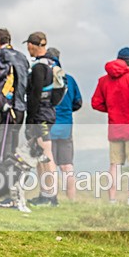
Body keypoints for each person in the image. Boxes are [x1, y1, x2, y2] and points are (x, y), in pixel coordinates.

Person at [91, 47, 129, 207]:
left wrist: (111, 108)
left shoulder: (103, 80)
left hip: (115, 127)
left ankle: (112, 200)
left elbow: (96, 103)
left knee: (114, 165)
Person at [24, 32, 66, 207]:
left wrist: (30, 119)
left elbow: (35, 94)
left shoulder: (40, 67)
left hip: (40, 114)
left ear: (33, 45)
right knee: (40, 153)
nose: (28, 49)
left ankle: (51, 196)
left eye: (28, 45)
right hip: (47, 112)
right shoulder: (51, 63)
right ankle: (45, 194)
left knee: (46, 151)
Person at [0, 28, 29, 161]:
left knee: (3, 149)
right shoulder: (22, 57)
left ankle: (6, 180)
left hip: (5, 109)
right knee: (14, 147)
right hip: (20, 109)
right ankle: (14, 180)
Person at [48, 49, 82, 201]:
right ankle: (71, 199)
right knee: (67, 166)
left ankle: (51, 197)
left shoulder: (44, 79)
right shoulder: (70, 80)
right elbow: (78, 103)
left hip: (49, 126)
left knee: (51, 166)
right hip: (66, 127)